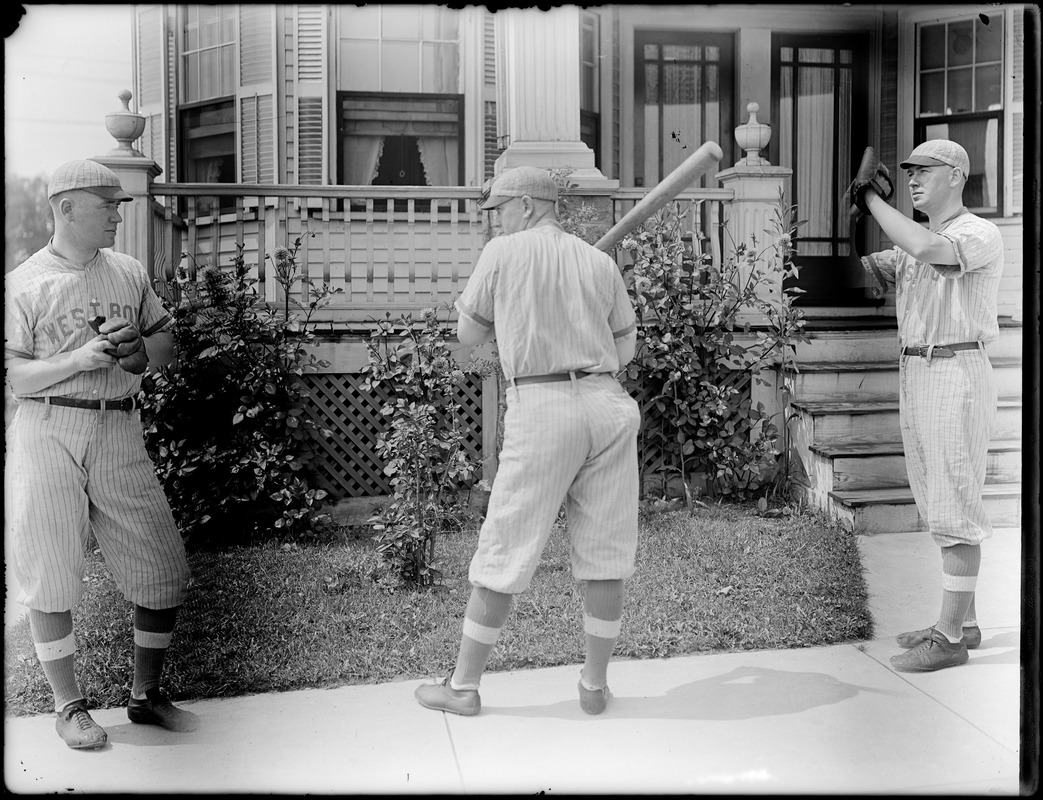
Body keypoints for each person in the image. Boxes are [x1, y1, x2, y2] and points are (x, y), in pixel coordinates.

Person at [413, 166, 640, 715]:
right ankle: (593, 686)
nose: (496, 220)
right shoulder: (599, 261)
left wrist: (512, 314)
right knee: (605, 551)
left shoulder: (503, 253)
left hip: (542, 407)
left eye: (500, 210)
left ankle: (463, 688)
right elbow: (626, 349)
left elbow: (468, 336)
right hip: (607, 405)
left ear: (527, 205)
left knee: (507, 540)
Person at [4, 159, 197, 749]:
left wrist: (139, 348)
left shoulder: (128, 271)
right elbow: (14, 376)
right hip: (48, 429)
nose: (118, 214)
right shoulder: (23, 282)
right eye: (108, 204)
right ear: (67, 208)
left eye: (120, 206)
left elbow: (165, 348)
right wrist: (77, 360)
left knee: (160, 566)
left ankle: (145, 696)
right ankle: (70, 706)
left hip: (117, 427)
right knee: (50, 571)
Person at [853, 140, 1003, 672]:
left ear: (957, 176)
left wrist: (873, 201)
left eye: (924, 171)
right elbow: (862, 270)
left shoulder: (977, 233)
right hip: (918, 369)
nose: (912, 179)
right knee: (939, 498)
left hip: (956, 368)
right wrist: (859, 213)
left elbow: (925, 251)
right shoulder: (916, 239)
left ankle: (950, 638)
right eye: (907, 172)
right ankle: (965, 622)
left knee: (956, 508)